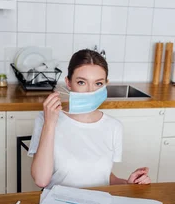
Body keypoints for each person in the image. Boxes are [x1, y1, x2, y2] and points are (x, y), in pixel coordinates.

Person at [28, 49, 151, 189]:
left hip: (98, 203)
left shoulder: (114, 126)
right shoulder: (46, 119)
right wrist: (49, 124)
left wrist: (128, 184)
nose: (90, 91)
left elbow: (101, 176)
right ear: (68, 83)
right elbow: (41, 180)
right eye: (81, 82)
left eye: (98, 83)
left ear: (106, 84)